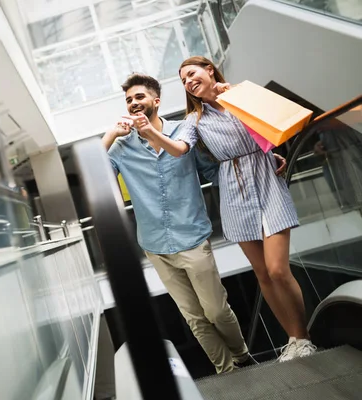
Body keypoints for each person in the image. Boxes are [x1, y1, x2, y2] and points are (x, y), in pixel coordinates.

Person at [123, 56, 316, 362]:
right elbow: (179, 149)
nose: (188, 82)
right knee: (263, 275)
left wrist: (269, 148)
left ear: (209, 70)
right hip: (232, 191)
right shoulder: (193, 120)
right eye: (183, 80)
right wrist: (150, 133)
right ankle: (292, 341)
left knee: (279, 269)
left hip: (265, 179)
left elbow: (279, 121)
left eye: (192, 74)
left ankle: (303, 337)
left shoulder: (243, 94)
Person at [103, 73, 267, 373]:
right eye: (128, 100)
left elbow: (215, 171)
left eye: (139, 97)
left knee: (216, 310)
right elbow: (97, 172)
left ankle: (242, 355)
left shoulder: (183, 131)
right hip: (155, 245)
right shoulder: (123, 147)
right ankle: (226, 371)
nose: (134, 103)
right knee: (194, 317)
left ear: (156, 100)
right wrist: (111, 134)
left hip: (192, 236)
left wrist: (260, 172)